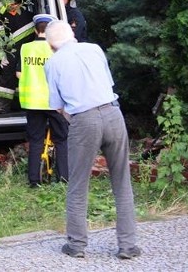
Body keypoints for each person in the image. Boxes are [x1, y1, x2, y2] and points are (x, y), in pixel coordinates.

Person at [43, 20, 140, 260]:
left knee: (78, 184)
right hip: (113, 113)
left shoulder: (53, 63)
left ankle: (76, 245)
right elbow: (108, 84)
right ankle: (128, 246)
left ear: (51, 44)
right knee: (122, 181)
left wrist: (76, 118)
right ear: (72, 34)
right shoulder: (95, 49)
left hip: (84, 120)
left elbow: (57, 107)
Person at [16, 14, 69, 187]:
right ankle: (63, 179)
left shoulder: (25, 48)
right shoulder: (56, 48)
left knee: (36, 140)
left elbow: (18, 74)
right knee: (61, 140)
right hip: (54, 102)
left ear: (35, 30)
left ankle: (34, 181)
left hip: (32, 102)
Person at [0, 2, 35, 116]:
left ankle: (1, 105)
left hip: (19, 40)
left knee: (8, 71)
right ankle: (17, 103)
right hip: (26, 38)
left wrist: (1, 53)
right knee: (18, 73)